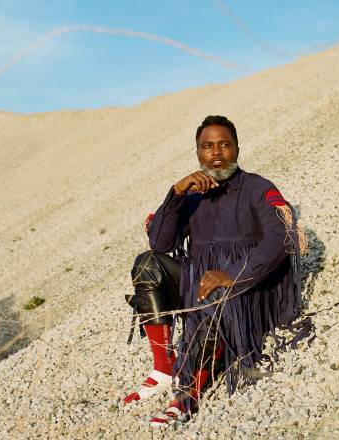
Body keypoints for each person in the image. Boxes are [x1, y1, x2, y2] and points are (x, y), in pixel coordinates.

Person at [124, 115, 304, 428]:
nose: (217, 152)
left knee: (214, 292)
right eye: (208, 146)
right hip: (199, 281)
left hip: (247, 288)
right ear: (198, 154)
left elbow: (281, 239)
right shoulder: (191, 196)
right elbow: (160, 242)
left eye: (224, 144)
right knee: (147, 264)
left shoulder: (259, 188)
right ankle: (164, 368)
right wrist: (176, 194)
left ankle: (185, 394)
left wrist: (233, 273)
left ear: (237, 149)